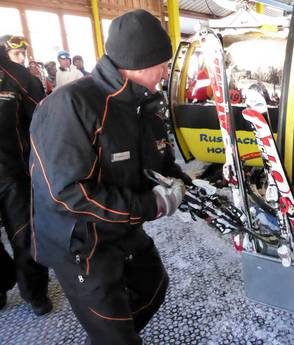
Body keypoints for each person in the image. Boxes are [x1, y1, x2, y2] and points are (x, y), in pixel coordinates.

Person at [29, 9, 186, 345]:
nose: (166, 70)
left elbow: (158, 159)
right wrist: (151, 204)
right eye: (163, 62)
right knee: (115, 333)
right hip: (80, 243)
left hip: (121, 228)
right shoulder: (71, 104)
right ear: (140, 62)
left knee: (153, 286)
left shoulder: (145, 104)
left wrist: (176, 182)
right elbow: (68, 194)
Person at [0, 38, 51, 315]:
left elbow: (43, 120)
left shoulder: (17, 76)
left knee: (25, 237)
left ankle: (35, 293)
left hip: (14, 174)